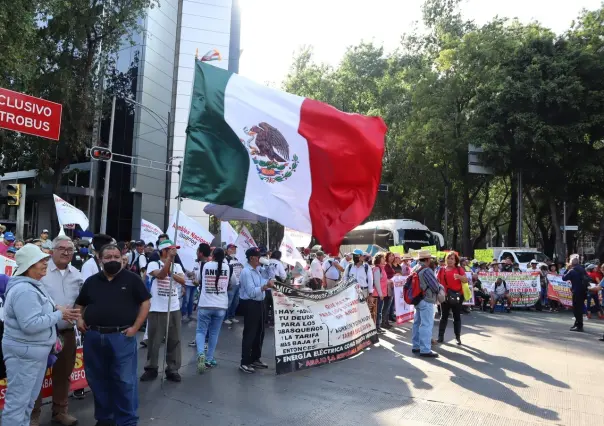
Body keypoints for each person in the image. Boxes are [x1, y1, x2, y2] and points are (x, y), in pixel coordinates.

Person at [2, 244, 80, 426]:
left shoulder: (32, 286)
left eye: (45, 260)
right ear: (29, 266)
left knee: (26, 402)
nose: (46, 263)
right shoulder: (25, 290)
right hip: (25, 355)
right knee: (18, 404)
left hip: (31, 354)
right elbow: (30, 324)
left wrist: (55, 309)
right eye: (40, 261)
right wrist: (58, 314)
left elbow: (37, 312)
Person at [75, 243, 151, 426]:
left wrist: (135, 328)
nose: (113, 260)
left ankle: (127, 421)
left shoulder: (132, 279)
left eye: (116, 257)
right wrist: (78, 321)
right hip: (93, 337)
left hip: (121, 337)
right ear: (100, 259)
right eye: (108, 257)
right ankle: (105, 419)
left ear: (121, 258)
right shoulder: (91, 281)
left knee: (124, 381)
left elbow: (145, 303)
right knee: (97, 381)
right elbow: (80, 305)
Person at [32, 236, 83, 426]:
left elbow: (81, 301)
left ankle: (60, 412)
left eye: (69, 249)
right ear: (52, 251)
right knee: (36, 375)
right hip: (42, 332)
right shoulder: (41, 272)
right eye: (61, 248)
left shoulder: (77, 274)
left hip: (67, 333)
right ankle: (33, 415)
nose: (65, 252)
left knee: (63, 374)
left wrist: (79, 317)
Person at [141, 239, 185, 382]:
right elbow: (160, 275)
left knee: (174, 340)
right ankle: (151, 368)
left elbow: (183, 280)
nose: (174, 252)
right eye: (170, 249)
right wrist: (168, 263)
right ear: (163, 251)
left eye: (174, 250)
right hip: (158, 308)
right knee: (154, 340)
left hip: (174, 308)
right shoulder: (153, 264)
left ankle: (172, 369)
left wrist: (172, 268)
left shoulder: (177, 266)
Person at [195, 248, 235, 373]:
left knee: (201, 331)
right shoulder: (228, 267)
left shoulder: (205, 265)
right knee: (214, 333)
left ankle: (201, 353)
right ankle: (209, 358)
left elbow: (198, 280)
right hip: (220, 306)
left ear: (212, 255)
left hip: (205, 304)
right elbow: (233, 282)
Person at [238, 247, 275, 374]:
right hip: (250, 304)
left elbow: (268, 278)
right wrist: (265, 287)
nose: (260, 259)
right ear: (252, 258)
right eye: (258, 256)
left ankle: (255, 358)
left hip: (260, 303)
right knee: (250, 333)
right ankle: (245, 362)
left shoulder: (258, 270)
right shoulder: (246, 272)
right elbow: (251, 292)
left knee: (260, 332)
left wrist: (269, 268)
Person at [411, 250, 442, 358]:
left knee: (417, 323)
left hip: (418, 299)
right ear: (428, 259)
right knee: (426, 325)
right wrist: (440, 287)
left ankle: (416, 346)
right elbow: (435, 287)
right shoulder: (427, 270)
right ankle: (425, 349)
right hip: (427, 299)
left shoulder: (415, 268)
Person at [437, 251, 468, 345]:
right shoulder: (441, 270)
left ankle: (457, 337)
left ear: (455, 260)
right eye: (448, 258)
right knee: (444, 317)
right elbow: (437, 281)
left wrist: (459, 277)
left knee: (456, 316)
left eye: (452, 259)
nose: (450, 260)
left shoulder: (459, 269)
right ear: (445, 259)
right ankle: (440, 337)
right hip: (445, 297)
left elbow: (466, 280)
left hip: (457, 296)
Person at [563, 257, 588, 332]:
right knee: (579, 308)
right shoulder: (582, 269)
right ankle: (577, 324)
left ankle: (579, 326)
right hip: (583, 291)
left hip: (576, 292)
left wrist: (567, 269)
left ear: (571, 263)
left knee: (577, 309)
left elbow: (564, 278)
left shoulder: (572, 270)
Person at [224, 243, 244, 325]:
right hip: (231, 284)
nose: (233, 250)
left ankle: (232, 316)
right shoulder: (225, 260)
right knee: (229, 301)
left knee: (236, 302)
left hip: (238, 284)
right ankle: (225, 318)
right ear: (227, 250)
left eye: (234, 249)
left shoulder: (237, 259)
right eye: (231, 249)